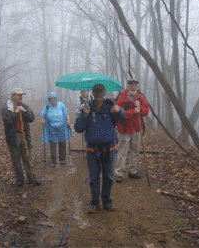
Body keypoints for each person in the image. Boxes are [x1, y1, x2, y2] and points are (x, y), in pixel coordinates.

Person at [74, 84, 125, 213]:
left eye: (100, 91)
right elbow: (78, 128)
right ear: (93, 92)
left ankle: (107, 201)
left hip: (109, 149)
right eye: (96, 91)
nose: (98, 93)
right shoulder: (87, 108)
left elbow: (123, 118)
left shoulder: (110, 105)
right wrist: (84, 115)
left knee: (108, 176)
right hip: (94, 152)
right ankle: (95, 203)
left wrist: (119, 110)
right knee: (95, 176)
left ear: (104, 92)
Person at [2, 88, 41, 186]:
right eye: (18, 95)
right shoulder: (7, 108)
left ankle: (31, 178)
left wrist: (24, 112)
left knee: (27, 157)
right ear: (13, 96)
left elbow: (32, 118)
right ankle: (19, 180)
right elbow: (7, 121)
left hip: (24, 136)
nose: (20, 97)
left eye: (21, 95)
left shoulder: (24, 106)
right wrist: (15, 113)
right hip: (13, 137)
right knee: (16, 159)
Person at [115, 78, 149, 182]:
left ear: (137, 87)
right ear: (128, 86)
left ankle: (133, 171)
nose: (133, 87)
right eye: (131, 85)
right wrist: (133, 111)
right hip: (124, 129)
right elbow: (120, 114)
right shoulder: (121, 97)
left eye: (135, 85)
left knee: (135, 151)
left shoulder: (140, 98)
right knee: (122, 151)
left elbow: (146, 112)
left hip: (137, 128)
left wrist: (140, 108)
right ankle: (119, 173)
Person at [41, 92, 71, 167]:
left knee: (62, 143)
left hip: (62, 127)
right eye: (51, 98)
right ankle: (53, 161)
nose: (53, 100)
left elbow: (65, 114)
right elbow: (44, 116)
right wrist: (43, 120)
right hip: (51, 128)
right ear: (49, 99)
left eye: (54, 98)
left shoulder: (61, 105)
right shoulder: (47, 107)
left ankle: (62, 159)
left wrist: (67, 120)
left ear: (56, 98)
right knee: (53, 144)